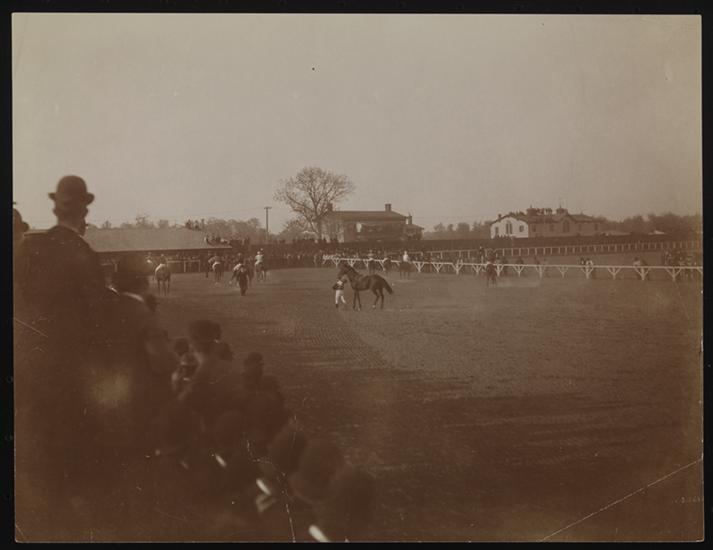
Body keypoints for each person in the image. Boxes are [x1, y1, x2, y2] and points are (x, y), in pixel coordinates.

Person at [14, 176, 114, 540]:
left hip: (28, 361)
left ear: (56, 207)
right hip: (70, 369)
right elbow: (99, 319)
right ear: (84, 211)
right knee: (70, 448)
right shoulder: (82, 254)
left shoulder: (30, 245)